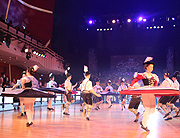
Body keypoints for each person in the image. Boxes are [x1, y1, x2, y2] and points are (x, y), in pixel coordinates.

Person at [129, 57, 159, 131]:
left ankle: (143, 120)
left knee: (152, 110)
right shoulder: (143, 75)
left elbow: (155, 84)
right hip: (145, 91)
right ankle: (144, 124)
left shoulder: (154, 76)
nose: (152, 68)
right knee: (148, 108)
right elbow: (135, 79)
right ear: (147, 67)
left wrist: (156, 90)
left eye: (152, 67)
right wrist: (131, 86)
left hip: (151, 92)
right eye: (150, 67)